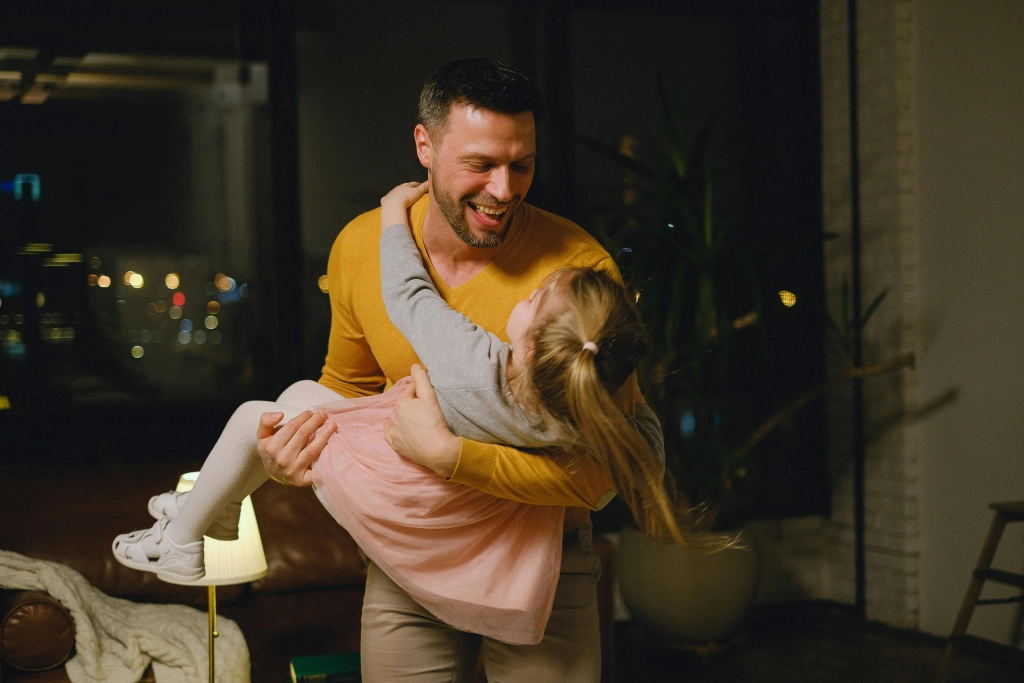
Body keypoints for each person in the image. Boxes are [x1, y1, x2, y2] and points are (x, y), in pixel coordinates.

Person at [111, 180, 677, 648]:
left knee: (256, 415)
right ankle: (220, 508)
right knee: (301, 397)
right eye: (481, 163)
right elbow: (636, 456)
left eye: (529, 302)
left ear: (529, 346)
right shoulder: (580, 412)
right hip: (459, 520)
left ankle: (182, 541)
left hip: (402, 482)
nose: (503, 186)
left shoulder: (475, 365)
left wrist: (390, 212)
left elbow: (409, 295)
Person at [255, 58, 668, 681]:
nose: (504, 190)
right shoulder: (362, 246)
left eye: (522, 165)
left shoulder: (578, 276)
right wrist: (290, 453)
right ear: (425, 146)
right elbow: (347, 390)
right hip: (411, 558)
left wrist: (452, 456)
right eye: (481, 164)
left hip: (545, 562)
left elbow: (611, 466)